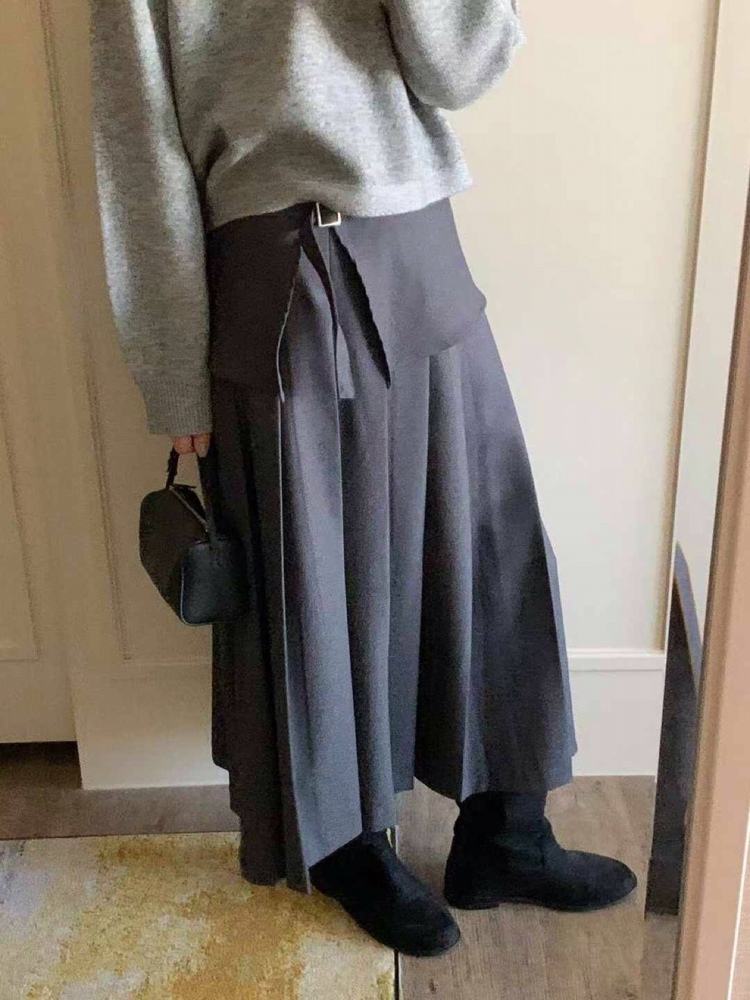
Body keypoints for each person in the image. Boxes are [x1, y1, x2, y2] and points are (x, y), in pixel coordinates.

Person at [88, 0, 637, 958]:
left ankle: (507, 835)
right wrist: (173, 372)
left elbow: (465, 67)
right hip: (277, 271)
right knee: (316, 587)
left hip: (419, 237)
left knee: (490, 546)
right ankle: (348, 848)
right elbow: (139, 149)